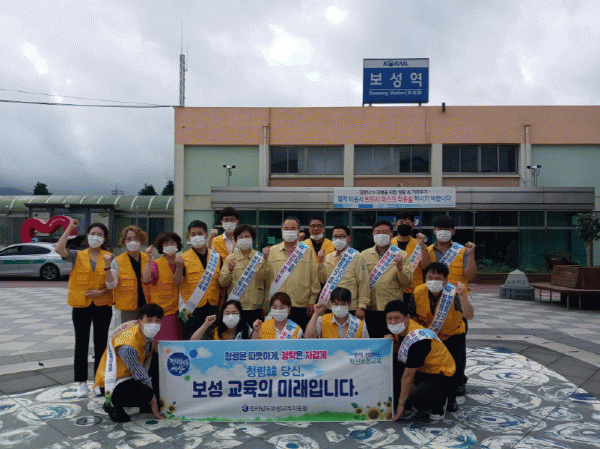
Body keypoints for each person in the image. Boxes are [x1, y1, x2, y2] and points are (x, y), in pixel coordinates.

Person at [55, 218, 114, 398]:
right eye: (93, 234)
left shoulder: (110, 257)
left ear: (105, 238)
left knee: (101, 344)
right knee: (81, 343)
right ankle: (81, 382)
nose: (96, 237)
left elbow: (113, 283)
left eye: (99, 235)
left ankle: (99, 381)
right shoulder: (77, 255)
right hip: (81, 305)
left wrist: (100, 293)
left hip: (102, 305)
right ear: (87, 236)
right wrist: (69, 228)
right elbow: (59, 249)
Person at [407, 262, 474, 410]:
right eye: (430, 277)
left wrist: (462, 296)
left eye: (438, 278)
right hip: (430, 335)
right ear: (425, 278)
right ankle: (431, 393)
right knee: (429, 367)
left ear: (446, 280)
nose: (433, 281)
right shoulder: (418, 291)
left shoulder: (454, 293)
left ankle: (451, 398)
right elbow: (413, 316)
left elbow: (469, 315)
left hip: (453, 335)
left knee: (453, 368)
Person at [385, 300, 456, 422]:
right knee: (392, 370)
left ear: (407, 317)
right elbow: (403, 356)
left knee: (416, 397)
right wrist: (390, 344)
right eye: (389, 319)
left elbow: (408, 376)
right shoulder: (401, 330)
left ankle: (441, 401)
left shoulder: (418, 338)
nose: (393, 322)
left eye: (397, 318)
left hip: (442, 375)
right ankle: (412, 399)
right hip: (423, 370)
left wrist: (401, 405)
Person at [94, 303, 164, 423]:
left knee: (159, 362)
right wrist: (153, 400)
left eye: (157, 320)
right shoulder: (128, 345)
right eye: (149, 320)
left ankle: (145, 404)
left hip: (128, 375)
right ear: (140, 321)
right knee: (146, 393)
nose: (153, 324)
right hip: (112, 382)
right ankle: (112, 404)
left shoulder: (141, 332)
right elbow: (140, 373)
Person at [263, 216, 320, 330]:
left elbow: (314, 278)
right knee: (278, 336)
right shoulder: (272, 251)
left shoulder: (307, 250)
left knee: (300, 335)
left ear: (298, 231)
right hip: (278, 306)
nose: (289, 231)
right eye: (286, 228)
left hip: (301, 304)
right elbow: (265, 278)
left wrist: (312, 300)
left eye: (293, 228)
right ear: (281, 230)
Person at [361, 220, 413, 338]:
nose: (381, 235)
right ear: (373, 234)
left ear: (391, 234)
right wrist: (361, 305)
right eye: (377, 232)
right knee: (375, 342)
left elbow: (408, 283)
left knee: (394, 341)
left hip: (392, 309)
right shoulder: (364, 255)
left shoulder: (401, 255)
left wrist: (400, 268)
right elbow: (361, 281)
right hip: (372, 307)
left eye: (384, 232)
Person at [178, 220, 222, 340]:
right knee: (190, 339)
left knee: (212, 339)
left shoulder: (216, 257)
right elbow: (177, 283)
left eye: (200, 233)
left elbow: (221, 284)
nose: (197, 236)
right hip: (189, 308)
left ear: (206, 235)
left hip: (212, 305)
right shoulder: (182, 258)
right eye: (193, 234)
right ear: (189, 236)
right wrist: (179, 267)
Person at [218, 225, 269, 328]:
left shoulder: (261, 258)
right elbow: (222, 282)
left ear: (253, 239)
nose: (244, 239)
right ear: (236, 239)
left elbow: (267, 283)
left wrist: (266, 305)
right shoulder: (230, 259)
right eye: (241, 237)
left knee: (256, 335)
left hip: (256, 307)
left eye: (247, 236)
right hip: (236, 308)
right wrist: (229, 270)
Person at [317, 225, 369, 317]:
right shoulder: (328, 257)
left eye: (341, 236)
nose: (338, 239)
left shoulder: (357, 257)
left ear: (348, 238)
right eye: (335, 237)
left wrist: (362, 306)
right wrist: (320, 262)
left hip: (349, 306)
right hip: (332, 305)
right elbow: (322, 279)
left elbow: (363, 282)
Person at [143, 231, 185, 341]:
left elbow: (179, 283)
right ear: (161, 246)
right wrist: (148, 258)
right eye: (166, 243)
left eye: (172, 242)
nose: (169, 246)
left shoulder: (183, 261)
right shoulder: (156, 263)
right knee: (166, 344)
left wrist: (179, 266)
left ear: (177, 244)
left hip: (183, 311)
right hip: (164, 313)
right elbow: (146, 279)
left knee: (181, 340)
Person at [105, 225, 151, 324]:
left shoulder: (148, 258)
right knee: (127, 333)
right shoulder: (117, 261)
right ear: (124, 241)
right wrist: (107, 267)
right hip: (127, 310)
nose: (132, 242)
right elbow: (111, 285)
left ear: (141, 240)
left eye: (136, 238)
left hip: (146, 308)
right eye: (129, 239)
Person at [427, 215, 476, 294]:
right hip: (434, 295)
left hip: (458, 295)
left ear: (453, 231)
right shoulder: (427, 251)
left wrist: (471, 254)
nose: (443, 232)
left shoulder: (462, 250)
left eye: (446, 229)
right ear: (434, 230)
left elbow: (470, 276)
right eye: (440, 229)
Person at [391, 211, 430, 294]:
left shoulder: (419, 244)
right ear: (396, 224)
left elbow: (426, 267)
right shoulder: (389, 244)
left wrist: (422, 246)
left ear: (413, 226)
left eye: (408, 223)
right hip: (393, 289)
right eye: (401, 223)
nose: (404, 225)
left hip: (414, 290)